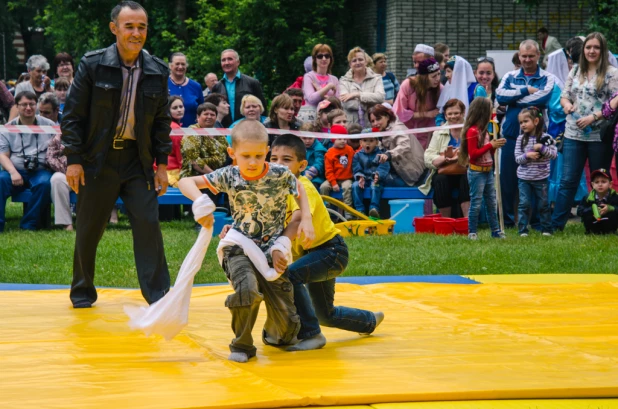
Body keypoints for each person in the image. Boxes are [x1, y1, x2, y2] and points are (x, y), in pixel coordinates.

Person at [61, 1, 172, 308]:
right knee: (88, 229)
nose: (136, 33)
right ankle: (82, 293)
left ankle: (159, 298)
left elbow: (162, 122)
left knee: (149, 225)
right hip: (98, 161)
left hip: (138, 162)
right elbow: (72, 116)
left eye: (142, 27)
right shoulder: (93, 64)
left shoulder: (157, 70)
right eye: (129, 26)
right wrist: (74, 160)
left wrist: (161, 165)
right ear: (114, 28)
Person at [178, 120, 315, 363]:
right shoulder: (228, 175)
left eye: (259, 155)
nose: (252, 162)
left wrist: (306, 219)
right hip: (239, 245)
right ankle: (241, 344)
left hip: (272, 247)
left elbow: (299, 191)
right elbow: (185, 182)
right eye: (246, 156)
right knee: (247, 290)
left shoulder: (280, 174)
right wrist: (201, 202)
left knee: (287, 326)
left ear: (267, 150)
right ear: (232, 153)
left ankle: (274, 335)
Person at [269, 134, 383, 351]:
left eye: (286, 160)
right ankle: (368, 321)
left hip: (331, 252)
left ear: (301, 165)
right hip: (317, 255)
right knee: (325, 315)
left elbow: (302, 213)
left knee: (289, 277)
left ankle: (311, 334)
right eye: (274, 159)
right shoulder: (274, 190)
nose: (278, 165)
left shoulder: (303, 185)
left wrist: (307, 221)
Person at [552, 32, 618, 231]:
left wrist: (594, 117)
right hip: (573, 133)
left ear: (602, 50)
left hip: (599, 134)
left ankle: (599, 223)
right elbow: (565, 96)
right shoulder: (575, 71)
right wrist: (566, 106)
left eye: (596, 48)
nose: (591, 51)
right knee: (567, 181)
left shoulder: (612, 73)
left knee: (599, 182)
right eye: (589, 47)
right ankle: (556, 225)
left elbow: (614, 102)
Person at [496, 39, 555, 228]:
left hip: (537, 139)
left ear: (538, 55)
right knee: (508, 182)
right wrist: (525, 90)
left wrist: (514, 97)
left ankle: (538, 222)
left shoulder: (548, 77)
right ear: (519, 56)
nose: (527, 60)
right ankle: (508, 221)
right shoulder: (509, 75)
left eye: (531, 56)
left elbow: (543, 97)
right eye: (524, 56)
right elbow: (499, 96)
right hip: (511, 137)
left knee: (538, 180)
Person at [0, 91, 56, 232]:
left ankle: (28, 224)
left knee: (44, 184)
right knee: (1, 180)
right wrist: (13, 172)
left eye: (32, 104)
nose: (28, 108)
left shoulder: (49, 125)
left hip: (40, 170)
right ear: (17, 107)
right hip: (15, 170)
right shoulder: (8, 128)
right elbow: (3, 155)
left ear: (36, 106)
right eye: (24, 104)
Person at [458, 97, 506, 240]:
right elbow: (473, 155)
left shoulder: (484, 131)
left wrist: (495, 145)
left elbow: (487, 152)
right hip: (476, 171)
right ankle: (472, 231)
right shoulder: (473, 131)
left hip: (488, 170)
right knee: (476, 202)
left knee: (491, 202)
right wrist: (491, 145)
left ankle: (495, 230)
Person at [420, 99, 470, 217]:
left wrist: (461, 157)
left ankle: (468, 222)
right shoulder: (439, 133)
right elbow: (428, 156)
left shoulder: (470, 130)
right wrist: (444, 158)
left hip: (465, 170)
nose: (453, 116)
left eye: (456, 113)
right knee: (440, 180)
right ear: (445, 116)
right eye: (450, 114)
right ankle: (446, 220)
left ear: (463, 113)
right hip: (445, 171)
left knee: (467, 178)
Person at [514, 107, 557, 237]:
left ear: (536, 121)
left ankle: (546, 229)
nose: (523, 125)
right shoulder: (520, 139)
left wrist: (542, 148)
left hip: (541, 178)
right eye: (521, 123)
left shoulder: (547, 138)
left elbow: (554, 155)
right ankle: (522, 230)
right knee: (524, 204)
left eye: (526, 121)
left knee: (543, 204)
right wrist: (528, 155)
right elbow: (517, 159)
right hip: (524, 178)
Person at [369, 104, 425, 186]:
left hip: (416, 174)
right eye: (372, 121)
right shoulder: (382, 132)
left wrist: (389, 154)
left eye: (378, 119)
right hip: (405, 174)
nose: (375, 123)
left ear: (387, 117)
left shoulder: (397, 128)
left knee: (380, 182)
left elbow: (404, 146)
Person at [393, 58, 443, 149]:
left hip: (427, 132)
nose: (438, 79)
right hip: (406, 130)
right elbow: (399, 112)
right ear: (423, 77)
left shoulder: (440, 88)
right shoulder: (408, 85)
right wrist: (426, 114)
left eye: (439, 74)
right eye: (434, 76)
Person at [211, 49, 267, 127]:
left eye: (230, 59)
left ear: (238, 62)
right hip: (224, 130)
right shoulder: (217, 87)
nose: (226, 63)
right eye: (223, 60)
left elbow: (262, 109)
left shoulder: (252, 83)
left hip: (248, 129)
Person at [339, 46, 385, 127]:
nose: (357, 62)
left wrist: (358, 94)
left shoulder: (376, 78)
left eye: (360, 59)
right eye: (354, 60)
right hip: (351, 127)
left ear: (366, 61)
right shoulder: (344, 80)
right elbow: (346, 103)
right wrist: (370, 106)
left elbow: (380, 97)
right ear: (350, 64)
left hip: (372, 125)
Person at [181, 102, 229, 178]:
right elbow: (195, 162)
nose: (209, 117)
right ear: (198, 116)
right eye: (206, 114)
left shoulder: (218, 133)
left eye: (212, 115)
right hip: (195, 176)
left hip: (219, 174)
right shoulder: (192, 131)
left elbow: (228, 152)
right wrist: (216, 177)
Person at [352, 133, 390, 217]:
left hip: (375, 179)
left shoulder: (381, 154)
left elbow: (384, 166)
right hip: (364, 179)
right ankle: (359, 211)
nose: (368, 143)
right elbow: (356, 168)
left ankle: (374, 209)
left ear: (376, 142)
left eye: (371, 141)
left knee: (375, 186)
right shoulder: (357, 155)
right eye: (365, 141)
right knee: (355, 186)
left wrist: (378, 175)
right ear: (361, 143)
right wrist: (360, 177)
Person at [320, 125, 355, 209]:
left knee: (347, 188)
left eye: (344, 138)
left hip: (347, 178)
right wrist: (333, 183)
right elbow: (328, 171)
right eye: (339, 139)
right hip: (333, 179)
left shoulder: (350, 150)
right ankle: (326, 209)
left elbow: (356, 158)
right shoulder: (329, 153)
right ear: (333, 139)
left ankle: (348, 212)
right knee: (323, 187)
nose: (343, 141)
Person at [167, 52, 204, 127]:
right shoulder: (163, 84)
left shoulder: (196, 86)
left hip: (192, 134)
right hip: (168, 133)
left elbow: (202, 111)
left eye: (183, 64)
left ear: (187, 66)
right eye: (177, 64)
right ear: (170, 66)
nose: (180, 67)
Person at [577, 168, 618, 234]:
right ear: (593, 185)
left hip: (609, 225)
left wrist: (611, 208)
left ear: (610, 184)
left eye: (603, 182)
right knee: (587, 214)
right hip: (593, 225)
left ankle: (610, 231)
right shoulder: (587, 197)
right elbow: (579, 212)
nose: (600, 184)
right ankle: (591, 231)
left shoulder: (615, 196)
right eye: (597, 182)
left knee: (613, 212)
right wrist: (591, 209)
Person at [46, 131, 73, 231]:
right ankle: (66, 223)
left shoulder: (92, 134)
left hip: (89, 173)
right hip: (65, 172)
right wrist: (67, 170)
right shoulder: (58, 137)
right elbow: (50, 157)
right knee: (57, 179)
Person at [303, 44, 340, 110]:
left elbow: (338, 102)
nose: (324, 59)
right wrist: (329, 86)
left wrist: (319, 90)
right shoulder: (308, 76)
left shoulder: (334, 79)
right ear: (314, 59)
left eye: (327, 56)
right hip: (312, 115)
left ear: (330, 59)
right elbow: (312, 99)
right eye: (320, 56)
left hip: (330, 116)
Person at [299, 121, 327, 189]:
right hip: (300, 174)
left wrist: (309, 172)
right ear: (300, 137)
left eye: (310, 138)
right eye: (304, 138)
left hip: (315, 177)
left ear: (314, 137)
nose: (307, 141)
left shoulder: (319, 148)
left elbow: (319, 163)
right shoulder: (297, 146)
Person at [163, 96, 184, 187]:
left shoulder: (167, 124)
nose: (179, 110)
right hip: (171, 171)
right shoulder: (175, 128)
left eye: (181, 106)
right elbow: (180, 153)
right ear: (168, 111)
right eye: (175, 108)